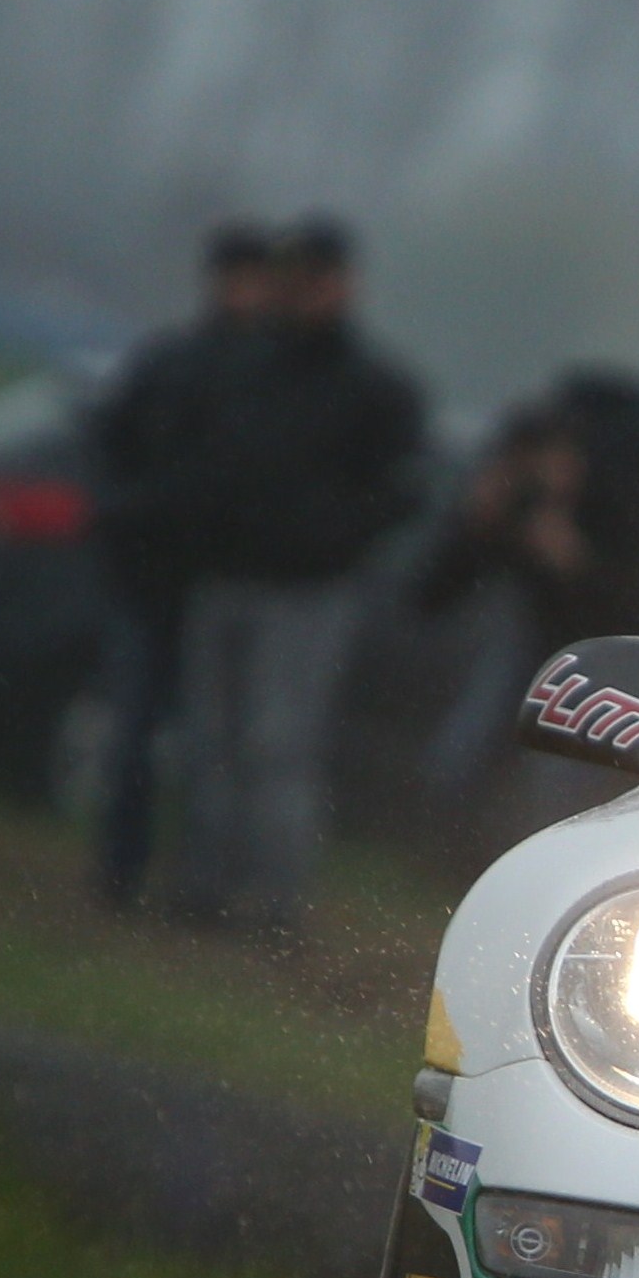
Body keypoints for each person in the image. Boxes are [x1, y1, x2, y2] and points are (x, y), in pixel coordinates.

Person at [160, 215, 429, 929]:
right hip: (225, 576)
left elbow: (402, 490)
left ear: (342, 285)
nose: (297, 294)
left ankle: (275, 901)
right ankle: (204, 888)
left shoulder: (372, 386)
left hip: (308, 592)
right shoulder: (246, 367)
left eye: (312, 280)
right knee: (211, 740)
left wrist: (331, 539)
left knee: (277, 745)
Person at [407, 366, 639, 844]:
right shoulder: (519, 501)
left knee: (559, 785)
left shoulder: (623, 509)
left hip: (613, 672)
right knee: (463, 760)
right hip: (536, 653)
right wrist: (477, 523)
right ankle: (453, 851)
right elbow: (431, 594)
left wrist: (575, 563)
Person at [85, 220, 284, 907]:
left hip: (210, 580)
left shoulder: (254, 370)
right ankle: (127, 871)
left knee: (210, 745)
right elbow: (115, 444)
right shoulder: (178, 363)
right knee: (145, 736)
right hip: (159, 577)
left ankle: (196, 881)